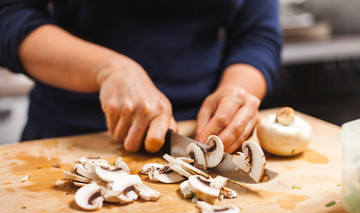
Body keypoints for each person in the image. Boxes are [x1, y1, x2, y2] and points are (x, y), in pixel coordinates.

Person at [0, 0, 282, 154]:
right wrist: (106, 68)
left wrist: (236, 92)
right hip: (70, 136)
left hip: (199, 135)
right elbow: (9, 14)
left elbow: (256, 35)